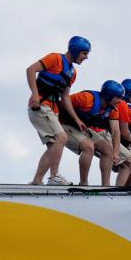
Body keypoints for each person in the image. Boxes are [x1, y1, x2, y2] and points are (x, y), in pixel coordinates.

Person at [26, 36, 90, 185]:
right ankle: (54, 177)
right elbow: (31, 70)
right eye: (84, 53)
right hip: (40, 106)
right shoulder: (55, 58)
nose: (86, 58)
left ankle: (36, 181)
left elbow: (65, 97)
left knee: (53, 146)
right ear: (75, 51)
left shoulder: (72, 73)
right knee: (62, 138)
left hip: (52, 110)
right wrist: (35, 95)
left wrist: (76, 120)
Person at [60, 80, 131, 186]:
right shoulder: (87, 98)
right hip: (64, 124)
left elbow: (116, 131)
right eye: (118, 97)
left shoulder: (113, 109)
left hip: (82, 129)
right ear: (109, 96)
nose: (120, 101)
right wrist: (75, 119)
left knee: (107, 150)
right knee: (89, 147)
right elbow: (64, 101)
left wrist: (115, 153)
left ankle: (106, 186)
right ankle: (83, 183)